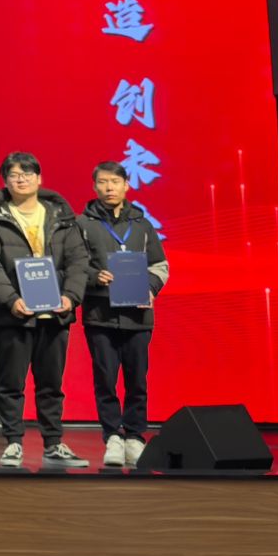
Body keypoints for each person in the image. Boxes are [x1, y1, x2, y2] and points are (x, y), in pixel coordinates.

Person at [0, 151, 92, 468]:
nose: (21, 179)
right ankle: (13, 442)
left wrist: (71, 296)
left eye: (27, 174)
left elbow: (79, 261)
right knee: (11, 383)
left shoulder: (62, 216)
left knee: (51, 384)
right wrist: (11, 299)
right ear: (5, 181)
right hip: (13, 315)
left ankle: (53, 443)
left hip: (55, 314)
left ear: (39, 179)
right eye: (14, 175)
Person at [78, 160, 170, 469]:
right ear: (94, 187)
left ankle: (134, 436)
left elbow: (160, 265)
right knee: (105, 379)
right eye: (103, 182)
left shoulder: (142, 224)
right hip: (99, 314)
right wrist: (94, 276)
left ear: (126, 186)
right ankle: (112, 437)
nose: (109, 188)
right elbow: (72, 264)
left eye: (115, 182)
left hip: (138, 316)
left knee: (137, 379)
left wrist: (151, 288)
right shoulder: (83, 224)